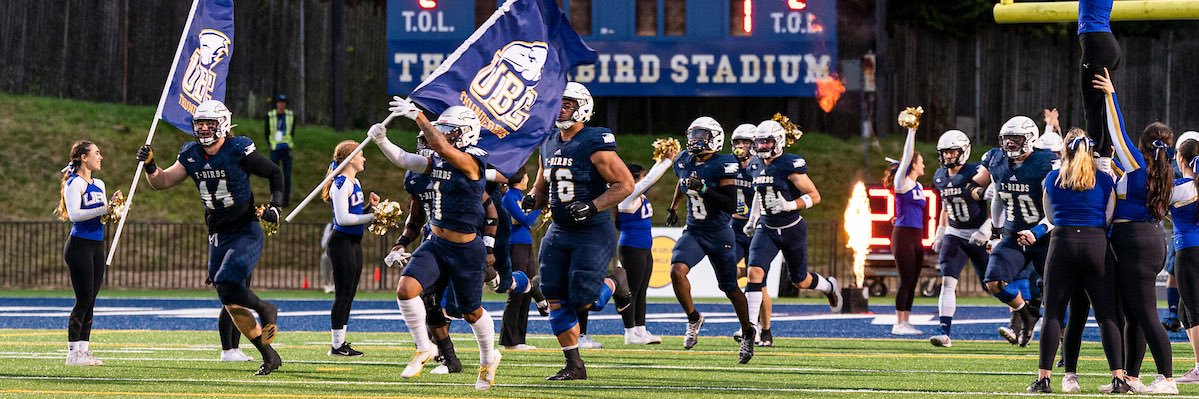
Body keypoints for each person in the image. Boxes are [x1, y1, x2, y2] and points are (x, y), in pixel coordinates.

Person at [137, 99, 284, 375]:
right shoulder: (191, 153)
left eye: (209, 123)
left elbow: (274, 172)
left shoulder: (238, 148)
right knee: (228, 300)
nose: (203, 128)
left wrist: (276, 205)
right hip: (217, 233)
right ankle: (269, 354)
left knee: (226, 280)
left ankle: (266, 309)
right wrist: (150, 165)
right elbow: (163, 181)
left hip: (244, 229)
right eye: (200, 123)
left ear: (223, 124)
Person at [370, 100, 503, 390]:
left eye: (450, 131)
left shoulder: (473, 162)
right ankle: (424, 347)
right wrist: (382, 140)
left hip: (466, 249)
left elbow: (443, 148)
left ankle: (488, 357)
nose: (443, 135)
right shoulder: (438, 160)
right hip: (436, 242)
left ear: (466, 133)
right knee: (406, 290)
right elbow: (406, 160)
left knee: (470, 311)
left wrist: (419, 116)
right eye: (442, 129)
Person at [526, 82, 634, 380]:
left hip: (592, 230)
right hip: (559, 229)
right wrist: (532, 199)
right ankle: (574, 365)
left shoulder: (593, 141)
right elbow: (541, 184)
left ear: (583, 107)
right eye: (558, 103)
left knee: (585, 301)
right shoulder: (548, 141)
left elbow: (625, 184)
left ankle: (615, 281)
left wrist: (593, 205)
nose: (560, 109)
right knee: (553, 297)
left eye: (567, 104)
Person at [1091, 70, 1177, 394]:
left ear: (1143, 145)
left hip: (1136, 242)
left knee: (1146, 313)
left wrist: (1111, 95)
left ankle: (1167, 380)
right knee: (1134, 315)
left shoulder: (1138, 165)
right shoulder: (1164, 171)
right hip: (1148, 240)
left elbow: (1116, 132)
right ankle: (1131, 377)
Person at [1027, 128, 1125, 393]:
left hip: (1063, 243)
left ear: (1064, 151)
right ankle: (1118, 377)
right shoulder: (1105, 180)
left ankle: (1044, 378)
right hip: (1095, 243)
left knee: (1054, 315)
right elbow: (1108, 217)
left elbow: (1049, 214)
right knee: (1107, 315)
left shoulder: (1051, 178)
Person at [664, 116, 757, 363]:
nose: (695, 140)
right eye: (693, 134)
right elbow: (682, 182)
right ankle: (694, 318)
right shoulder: (684, 159)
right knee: (676, 270)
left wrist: (705, 189)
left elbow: (730, 203)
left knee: (729, 288)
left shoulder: (724, 163)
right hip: (694, 230)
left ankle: (748, 331)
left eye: (701, 135)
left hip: (719, 233)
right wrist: (674, 207)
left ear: (714, 138)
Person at [742, 120, 841, 345]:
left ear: (778, 141)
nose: (762, 146)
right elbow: (760, 192)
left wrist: (790, 205)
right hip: (766, 227)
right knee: (754, 273)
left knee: (800, 281)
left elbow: (815, 195)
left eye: (767, 141)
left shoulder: (789, 164)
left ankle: (828, 286)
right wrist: (753, 219)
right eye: (759, 142)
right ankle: (750, 327)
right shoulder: (754, 165)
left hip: (791, 228)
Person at [971, 116, 1055, 347]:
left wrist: (1038, 230)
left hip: (1045, 238)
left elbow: (1058, 207)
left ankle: (1065, 345)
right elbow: (994, 195)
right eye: (1007, 139)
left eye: (1016, 139)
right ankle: (1025, 313)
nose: (1009, 144)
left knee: (1054, 293)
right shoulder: (996, 160)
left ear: (1030, 139)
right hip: (1013, 235)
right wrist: (996, 232)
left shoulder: (1047, 162)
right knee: (993, 281)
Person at [56, 140, 121, 366]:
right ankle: (72, 353)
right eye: (96, 153)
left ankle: (84, 351)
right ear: (84, 157)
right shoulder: (74, 183)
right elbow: (75, 215)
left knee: (91, 300)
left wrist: (115, 211)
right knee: (83, 299)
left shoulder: (99, 183)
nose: (100, 157)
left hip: (96, 245)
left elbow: (100, 216)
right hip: (79, 246)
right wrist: (104, 208)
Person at [928, 130, 989, 346]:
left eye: (952, 152)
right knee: (947, 281)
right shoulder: (940, 176)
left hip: (979, 232)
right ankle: (945, 332)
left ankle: (1021, 316)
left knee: (992, 284)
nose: (947, 157)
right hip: (955, 233)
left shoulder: (977, 172)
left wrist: (988, 229)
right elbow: (946, 205)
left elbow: (997, 200)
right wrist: (941, 231)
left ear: (963, 151)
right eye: (944, 153)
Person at [321, 140, 379, 357]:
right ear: (351, 158)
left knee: (350, 293)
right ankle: (336, 345)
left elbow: (354, 212)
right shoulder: (341, 183)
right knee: (343, 294)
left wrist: (369, 208)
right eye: (361, 154)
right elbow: (343, 219)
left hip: (354, 243)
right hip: (341, 243)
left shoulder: (355, 181)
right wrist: (374, 216)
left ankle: (341, 342)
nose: (364, 159)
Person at [615, 154, 675, 345]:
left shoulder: (637, 195)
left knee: (641, 291)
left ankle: (641, 330)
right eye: (642, 176)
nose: (646, 178)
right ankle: (629, 332)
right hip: (631, 248)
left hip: (643, 248)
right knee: (631, 290)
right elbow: (650, 180)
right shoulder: (626, 195)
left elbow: (647, 180)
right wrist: (667, 161)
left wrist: (660, 158)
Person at [729, 123, 773, 347]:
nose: (741, 146)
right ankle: (750, 324)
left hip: (758, 228)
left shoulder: (762, 166)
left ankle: (765, 330)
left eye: (746, 142)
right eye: (737, 142)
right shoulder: (727, 164)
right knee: (727, 270)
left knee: (759, 282)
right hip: (735, 227)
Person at [885, 123, 927, 336]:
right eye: (921, 162)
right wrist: (912, 131)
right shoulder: (903, 183)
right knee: (906, 278)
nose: (924, 166)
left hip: (916, 236)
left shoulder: (918, 186)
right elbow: (907, 153)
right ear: (913, 165)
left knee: (913, 280)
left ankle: (906, 320)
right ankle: (898, 322)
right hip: (903, 235)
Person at [500, 170, 549, 350]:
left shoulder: (520, 196)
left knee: (528, 290)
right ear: (520, 179)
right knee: (517, 291)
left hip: (525, 244)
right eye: (526, 176)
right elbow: (525, 220)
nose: (528, 179)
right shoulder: (509, 198)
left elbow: (532, 223)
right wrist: (539, 207)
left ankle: (519, 339)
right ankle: (509, 340)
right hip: (514, 245)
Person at [1078, 0, 1120, 174]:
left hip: (1096, 43)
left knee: (1093, 109)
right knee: (1102, 107)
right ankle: (1104, 157)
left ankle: (1099, 160)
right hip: (1103, 42)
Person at [1171, 139, 1199, 385]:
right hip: (1193, 250)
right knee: (1183, 309)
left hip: (1189, 251)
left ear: (1181, 160)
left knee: (1193, 308)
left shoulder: (1181, 186)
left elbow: (1153, 202)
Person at [264, 94, 296, 206]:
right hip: (275, 148)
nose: (281, 105)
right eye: (279, 102)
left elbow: (292, 131)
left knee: (287, 175)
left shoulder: (290, 115)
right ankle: (275, 199)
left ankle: (285, 201)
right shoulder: (270, 115)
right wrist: (271, 143)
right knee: (274, 174)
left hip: (286, 148)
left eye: (283, 103)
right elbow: (266, 132)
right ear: (276, 104)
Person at [320, 223, 335, 293]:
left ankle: (335, 284)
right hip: (330, 250)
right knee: (324, 258)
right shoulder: (329, 226)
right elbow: (323, 244)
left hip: (342, 250)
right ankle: (327, 285)